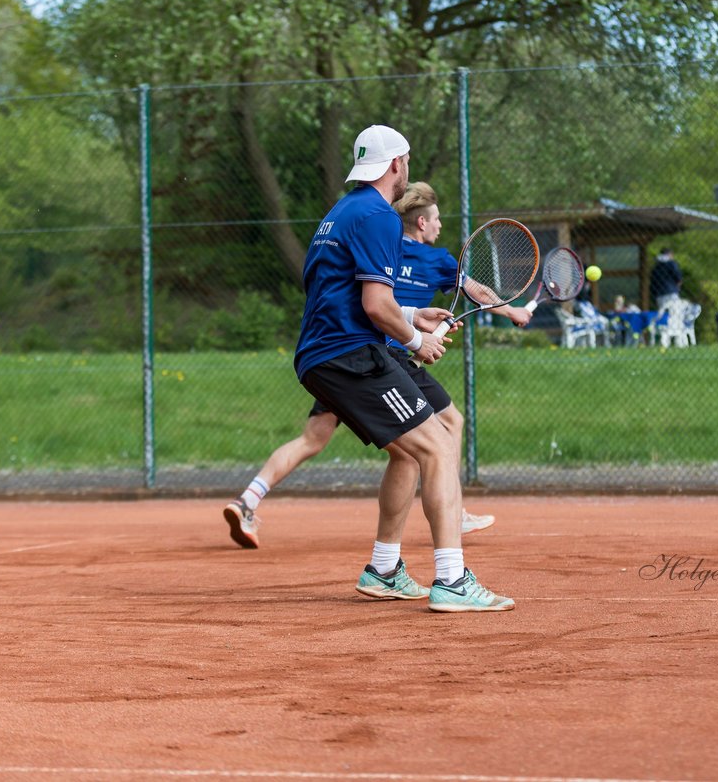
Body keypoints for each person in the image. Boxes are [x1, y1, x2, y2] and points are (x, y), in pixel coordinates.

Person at [245, 124, 514, 612]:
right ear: (397, 165)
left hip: (327, 353)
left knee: (408, 454)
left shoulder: (340, 213)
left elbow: (348, 294)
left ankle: (384, 568)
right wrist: (417, 340)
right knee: (439, 444)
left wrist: (413, 315)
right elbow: (373, 305)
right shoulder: (379, 217)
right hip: (349, 354)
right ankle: (452, 580)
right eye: (406, 160)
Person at [225, 181, 527, 548]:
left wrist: (413, 318)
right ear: (421, 223)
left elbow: (362, 295)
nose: (439, 226)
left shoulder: (375, 236)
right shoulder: (437, 259)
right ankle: (452, 519)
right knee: (446, 429)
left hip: (342, 356)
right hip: (372, 359)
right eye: (435, 220)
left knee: (315, 439)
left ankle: (248, 500)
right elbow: (475, 292)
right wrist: (512, 310)